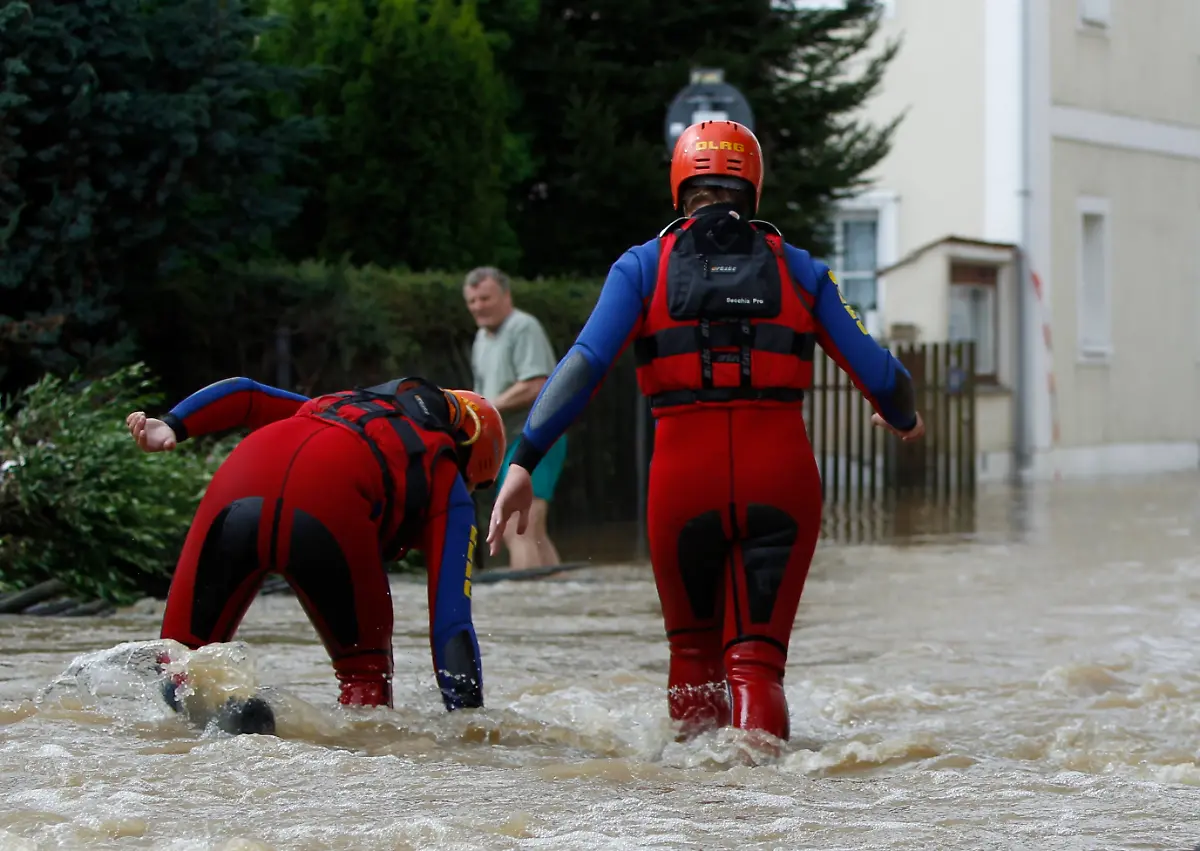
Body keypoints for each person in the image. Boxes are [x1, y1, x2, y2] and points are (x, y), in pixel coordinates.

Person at [488, 120, 926, 744]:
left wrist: (524, 460)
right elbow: (886, 377)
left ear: (679, 187)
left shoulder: (641, 267)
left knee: (694, 657)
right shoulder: (803, 271)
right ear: (754, 188)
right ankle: (766, 795)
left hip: (683, 484)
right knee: (757, 665)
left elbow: (581, 368)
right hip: (781, 480)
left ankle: (697, 796)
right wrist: (900, 415)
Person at [125, 374, 505, 730]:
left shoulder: (336, 409)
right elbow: (451, 625)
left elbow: (245, 394)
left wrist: (173, 425)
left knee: (181, 661)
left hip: (241, 480)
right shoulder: (447, 481)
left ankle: (215, 724)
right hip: (331, 507)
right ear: (470, 461)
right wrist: (468, 723)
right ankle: (264, 737)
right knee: (366, 684)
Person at [463, 266, 567, 569]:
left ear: (506, 296)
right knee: (534, 534)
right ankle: (559, 593)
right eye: (472, 301)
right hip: (509, 443)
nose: (478, 307)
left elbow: (536, 384)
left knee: (516, 527)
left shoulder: (523, 327)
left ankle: (528, 600)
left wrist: (486, 407)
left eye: (485, 298)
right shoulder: (481, 338)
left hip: (535, 438)